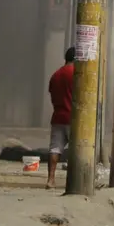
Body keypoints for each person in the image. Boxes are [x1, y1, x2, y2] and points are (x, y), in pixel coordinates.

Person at [47, 47, 75, 189]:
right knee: (77, 150)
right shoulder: (77, 74)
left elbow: (52, 94)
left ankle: (50, 180)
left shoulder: (56, 75)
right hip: (74, 119)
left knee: (55, 149)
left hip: (58, 117)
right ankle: (74, 182)